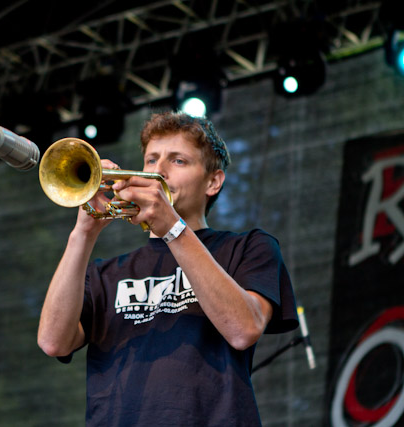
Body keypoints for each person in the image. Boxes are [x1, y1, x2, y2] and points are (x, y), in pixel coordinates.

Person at [37, 110, 298, 426]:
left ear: (213, 182)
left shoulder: (248, 247)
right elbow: (53, 341)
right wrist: (83, 232)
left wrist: (172, 228)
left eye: (178, 161)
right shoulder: (105, 272)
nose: (157, 171)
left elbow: (243, 330)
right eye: (150, 160)